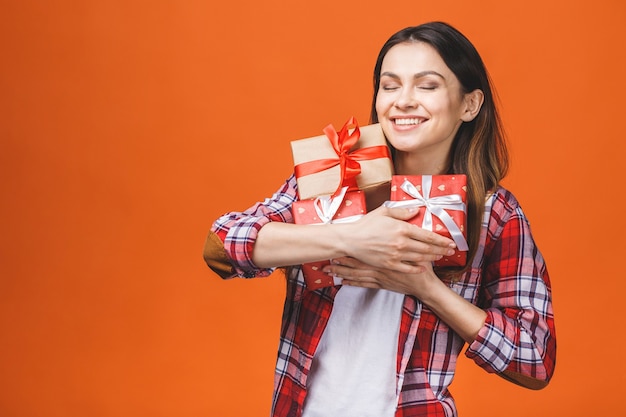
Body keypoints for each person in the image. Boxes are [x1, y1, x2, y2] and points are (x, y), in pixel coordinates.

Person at [203, 21, 556, 417]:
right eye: (390, 86)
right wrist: (351, 238)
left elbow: (534, 360)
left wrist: (426, 288)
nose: (403, 101)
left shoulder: (493, 212)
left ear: (469, 105)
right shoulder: (334, 176)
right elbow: (221, 246)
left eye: (427, 85)